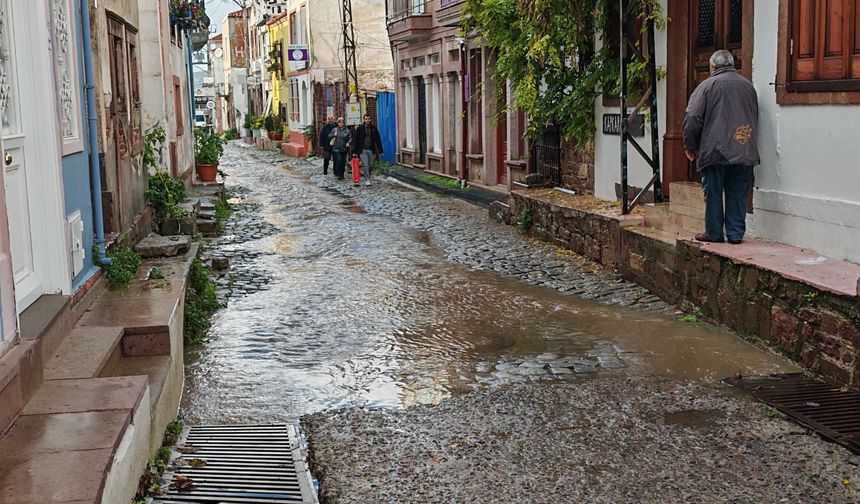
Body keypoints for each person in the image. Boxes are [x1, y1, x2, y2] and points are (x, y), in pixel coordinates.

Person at [683, 49, 760, 245]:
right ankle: (735, 234)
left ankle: (714, 232)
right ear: (732, 65)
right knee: (738, 192)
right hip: (743, 148)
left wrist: (690, 145)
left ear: (713, 67)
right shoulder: (748, 86)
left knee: (713, 192)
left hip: (715, 150)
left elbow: (692, 118)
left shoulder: (706, 86)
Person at [352, 114, 384, 186]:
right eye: (366, 119)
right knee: (365, 164)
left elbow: (378, 140)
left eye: (368, 119)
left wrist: (380, 150)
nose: (367, 120)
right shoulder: (360, 129)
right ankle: (367, 179)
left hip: (371, 149)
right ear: (364, 119)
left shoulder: (373, 128)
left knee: (371, 165)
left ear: (370, 119)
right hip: (362, 150)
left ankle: (367, 174)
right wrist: (354, 151)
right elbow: (355, 140)